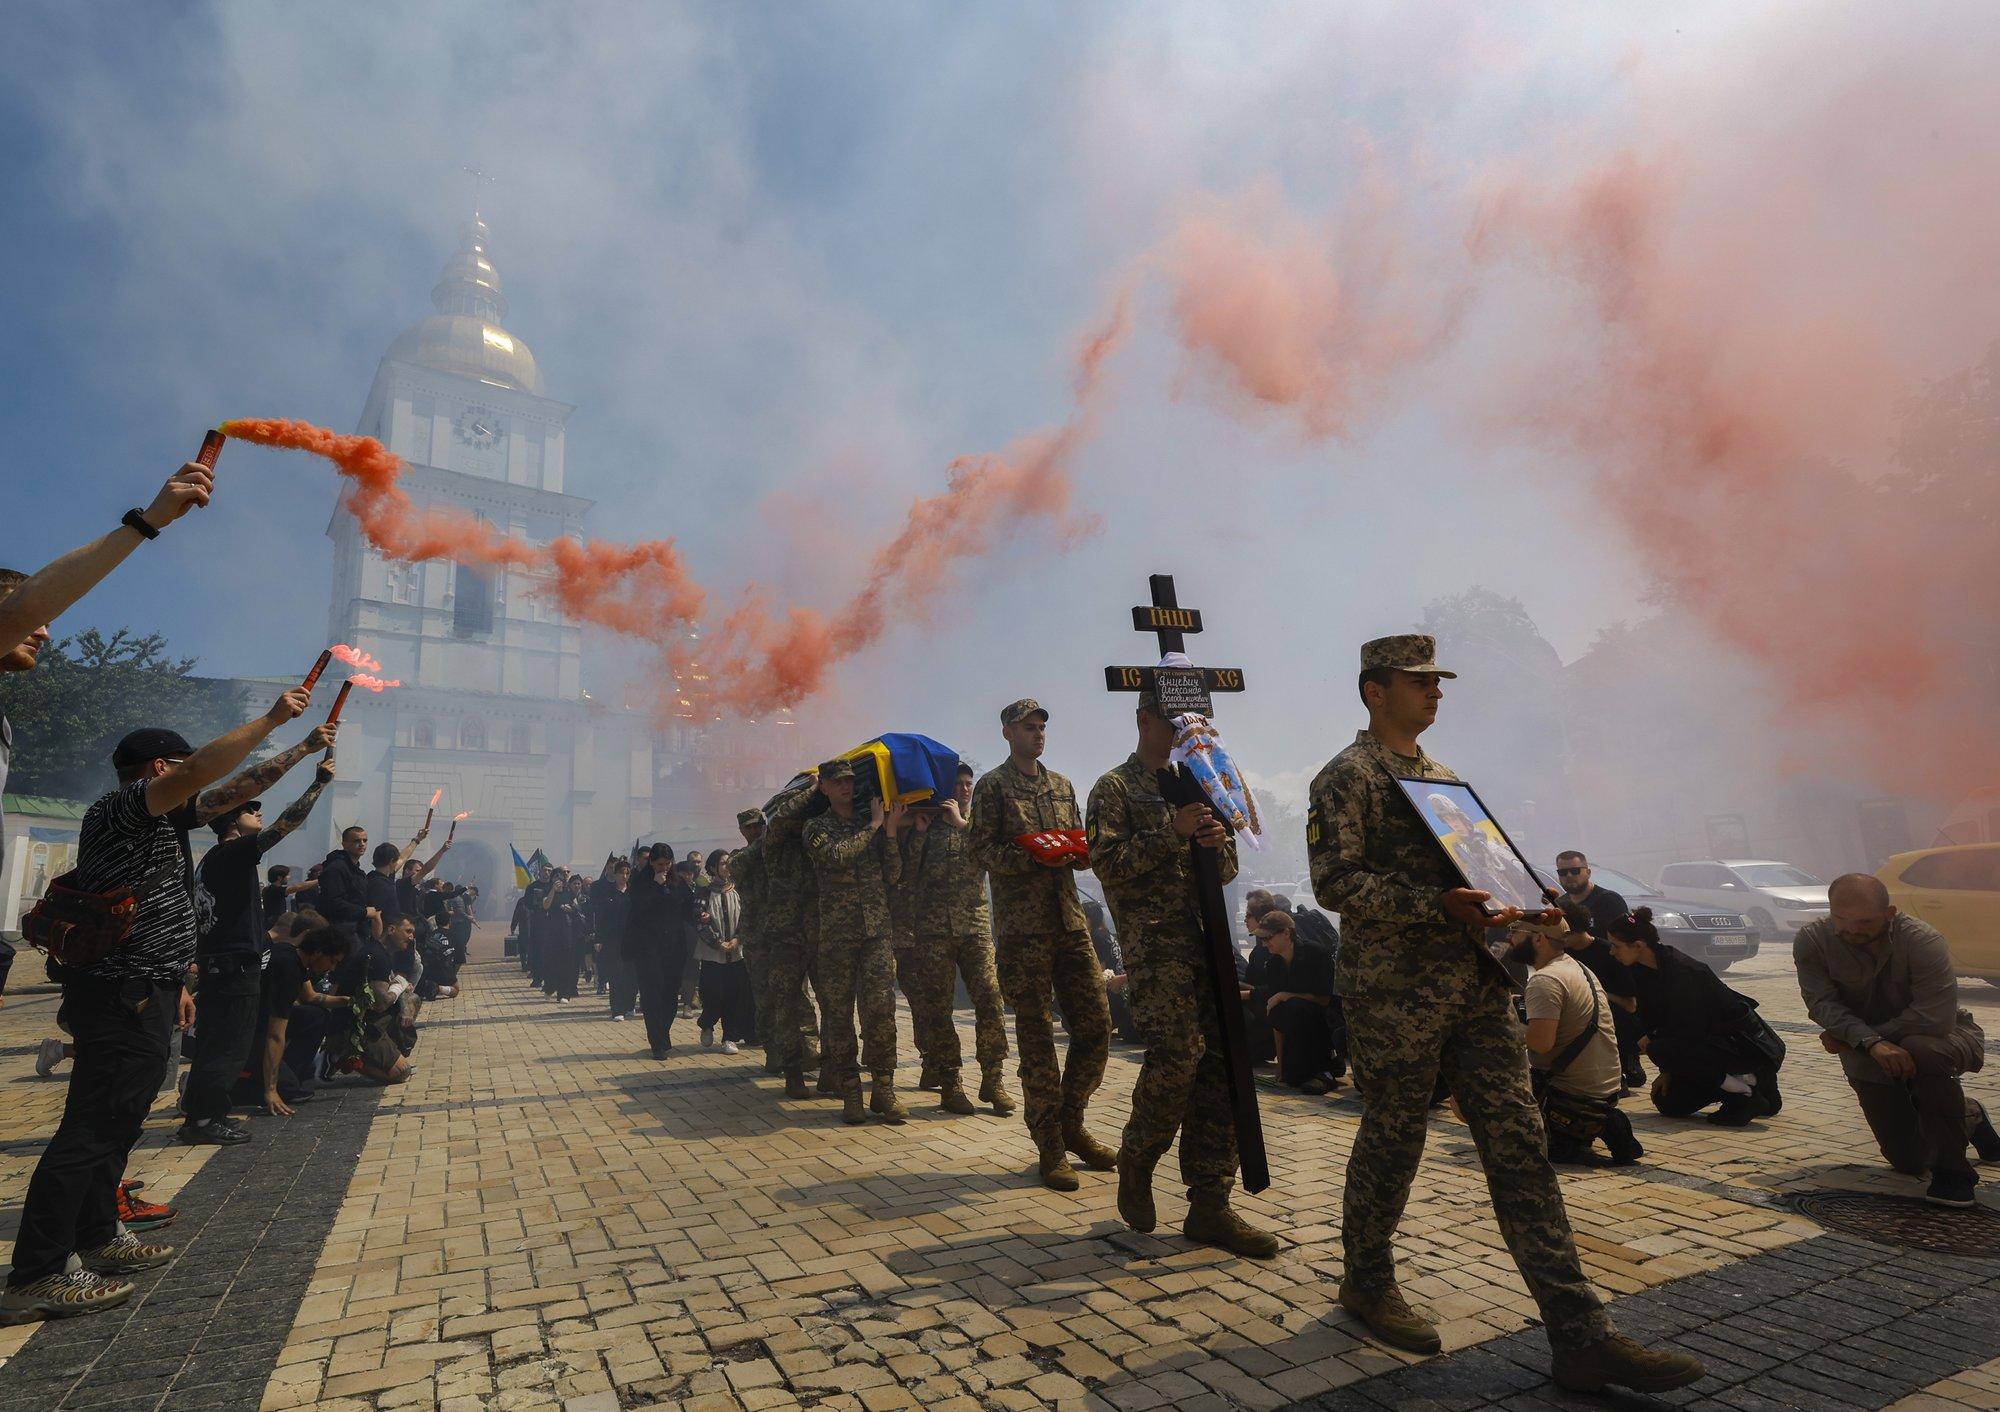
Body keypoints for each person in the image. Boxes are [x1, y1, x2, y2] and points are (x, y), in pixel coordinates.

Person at [1307, 635, 1701, 1392]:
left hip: (1478, 988)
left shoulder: (1446, 781)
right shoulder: (1346, 777)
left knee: (1521, 1148)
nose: (1436, 693)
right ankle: (1365, 1277)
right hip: (1395, 995)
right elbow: (1335, 882)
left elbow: (1485, 870)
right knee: (1394, 1135)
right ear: (1374, 691)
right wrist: (1436, 904)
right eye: (1419, 682)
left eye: (1437, 682)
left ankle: (1579, 1333)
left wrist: (1530, 904)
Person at [2, 684, 315, 1326]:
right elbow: (214, 777)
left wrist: (304, 748)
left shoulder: (165, 825)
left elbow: (228, 790)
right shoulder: (122, 811)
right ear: (159, 772)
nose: (206, 794)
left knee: (119, 1120)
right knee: (90, 1127)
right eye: (184, 770)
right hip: (120, 990)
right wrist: (275, 721)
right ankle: (38, 1271)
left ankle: (96, 1234)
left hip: (148, 986)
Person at [1090, 693, 1274, 1257]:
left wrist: (1216, 845)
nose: (1180, 734)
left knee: (1220, 1060)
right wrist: (1168, 831)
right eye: (1170, 723)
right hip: (1155, 945)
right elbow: (1105, 863)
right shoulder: (1114, 788)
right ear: (1144, 720)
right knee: (1178, 1053)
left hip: (1208, 944)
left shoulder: (1196, 782)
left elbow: (1223, 870)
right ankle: (1138, 1158)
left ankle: (1210, 1204)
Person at [0, 456, 218, 910]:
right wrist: (146, 522)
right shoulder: (122, 811)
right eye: (36, 617)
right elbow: (19, 613)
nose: (45, 631)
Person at [969, 699, 1114, 1191]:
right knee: (1037, 1038)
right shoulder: (991, 786)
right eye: (1029, 728)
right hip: (1023, 930)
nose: (1039, 735)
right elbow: (980, 850)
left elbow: (1075, 836)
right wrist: (1030, 859)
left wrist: (1078, 854)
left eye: (1042, 728)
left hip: (1070, 923)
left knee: (1097, 1026)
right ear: (1008, 732)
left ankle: (1071, 1121)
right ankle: (1050, 1145)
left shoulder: (1062, 785)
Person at [1795, 873, 1999, 1208]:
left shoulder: (1922, 939)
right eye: (1841, 919)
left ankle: (1953, 1173)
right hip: (1868, 1053)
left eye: (1865, 921)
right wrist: (1871, 1044)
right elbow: (1822, 1004)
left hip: (1946, 1037)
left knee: (1923, 1049)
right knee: (1907, 1161)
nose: (1853, 930)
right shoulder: (1813, 940)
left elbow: (1934, 1018)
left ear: (1889, 913)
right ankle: (1969, 1115)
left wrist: (1860, 1039)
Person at [180, 730, 337, 1144]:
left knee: (220, 1043)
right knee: (228, 1046)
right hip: (233, 966)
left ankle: (201, 1114)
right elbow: (287, 824)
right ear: (232, 819)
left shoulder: (214, 859)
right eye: (251, 809)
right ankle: (203, 1121)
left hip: (222, 964)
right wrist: (317, 784)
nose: (259, 813)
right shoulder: (232, 853)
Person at [900, 763, 1014, 1116]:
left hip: (975, 928)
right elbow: (907, 873)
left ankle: (993, 1078)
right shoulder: (929, 827)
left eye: (969, 784)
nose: (965, 790)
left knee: (991, 999)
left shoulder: (979, 826)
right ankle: (950, 1083)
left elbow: (993, 857)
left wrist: (962, 825)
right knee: (937, 1007)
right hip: (933, 931)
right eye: (959, 785)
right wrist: (919, 832)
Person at [1603, 907, 1783, 1127]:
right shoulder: (1641, 969)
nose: (1611, 952)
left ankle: (1745, 1091)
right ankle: (1753, 1086)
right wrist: (1668, 1070)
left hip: (1737, 1047)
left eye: (1616, 946)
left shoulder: (1683, 972)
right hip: (1701, 1048)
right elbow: (1653, 1019)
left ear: (1639, 946)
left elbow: (1692, 1028)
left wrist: (1660, 1049)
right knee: (1668, 1103)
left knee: (1659, 1047)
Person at [804, 759, 908, 1123]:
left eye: (850, 780)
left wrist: (890, 832)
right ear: (825, 787)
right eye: (838, 781)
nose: (846, 786)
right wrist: (875, 827)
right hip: (838, 936)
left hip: (877, 932)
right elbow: (836, 856)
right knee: (838, 1015)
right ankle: (850, 1091)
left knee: (881, 1011)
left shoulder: (873, 823)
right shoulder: (816, 828)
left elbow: (893, 874)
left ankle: (883, 1088)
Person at [1510, 907, 1643, 1167]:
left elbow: (1540, 1043)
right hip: (1603, 1089)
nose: (1510, 938)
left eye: (1515, 931)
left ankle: (1571, 1130)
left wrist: (1505, 1023)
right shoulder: (1577, 967)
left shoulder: (1545, 980)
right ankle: (1602, 1123)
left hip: (1570, 1093)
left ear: (1538, 939)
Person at [1554, 851, 1642, 1090]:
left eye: (1575, 870)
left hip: (1611, 972)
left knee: (1616, 1012)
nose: (1570, 877)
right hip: (1575, 974)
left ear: (1587, 871)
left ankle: (1627, 1060)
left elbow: (1624, 939)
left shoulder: (1608, 901)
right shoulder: (1560, 905)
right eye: (1563, 872)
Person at [761, 782, 827, 1095]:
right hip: (785, 935)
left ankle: (830, 1067)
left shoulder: (819, 839)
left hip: (821, 933)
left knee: (832, 1004)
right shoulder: (774, 843)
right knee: (786, 1005)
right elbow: (782, 817)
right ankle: (793, 1071)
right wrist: (815, 789)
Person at [247, 923, 352, 1116]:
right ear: (319, 952)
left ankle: (288, 1075)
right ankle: (223, 1089)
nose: (331, 968)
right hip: (249, 1031)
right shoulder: (287, 969)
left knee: (317, 1016)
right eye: (332, 961)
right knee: (286, 1090)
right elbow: (275, 1035)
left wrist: (347, 1001)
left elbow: (310, 997)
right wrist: (271, 1090)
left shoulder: (293, 956)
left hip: (259, 1024)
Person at [1251, 909, 1344, 1093]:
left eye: (1268, 938)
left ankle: (1324, 1067)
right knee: (1277, 1010)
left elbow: (1325, 999)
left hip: (1324, 1021)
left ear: (1286, 933)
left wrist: (1287, 995)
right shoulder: (1274, 964)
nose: (1264, 944)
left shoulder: (1314, 953)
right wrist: (1281, 1063)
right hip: (1295, 1026)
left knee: (1294, 1006)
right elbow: (1276, 1019)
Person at [625, 844, 698, 1060]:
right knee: (651, 994)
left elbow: (687, 908)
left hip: (674, 947)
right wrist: (656, 887)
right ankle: (656, 1041)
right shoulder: (640, 882)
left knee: (669, 993)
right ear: (651, 863)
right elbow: (638, 908)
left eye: (667, 864)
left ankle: (663, 1031)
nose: (663, 869)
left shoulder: (678, 882)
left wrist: (700, 916)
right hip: (648, 948)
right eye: (659, 865)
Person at [698, 849, 752, 1052]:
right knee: (713, 994)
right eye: (722, 864)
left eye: (729, 863)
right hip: (713, 953)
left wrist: (737, 939)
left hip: (736, 952)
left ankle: (729, 1037)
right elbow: (699, 920)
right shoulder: (704, 892)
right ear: (713, 867)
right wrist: (718, 943)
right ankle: (706, 1022)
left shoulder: (738, 889)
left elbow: (746, 916)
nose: (727, 867)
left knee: (734, 995)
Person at [728, 810, 771, 1053]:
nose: (755, 831)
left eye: (759, 826)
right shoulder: (738, 857)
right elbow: (738, 866)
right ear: (742, 831)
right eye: (750, 828)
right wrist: (763, 841)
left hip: (782, 932)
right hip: (756, 935)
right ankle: (770, 1049)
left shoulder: (774, 851)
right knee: (762, 996)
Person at [316, 826, 378, 950]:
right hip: (340, 931)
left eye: (364, 841)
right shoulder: (336, 869)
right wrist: (364, 912)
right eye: (356, 841)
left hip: (356, 928)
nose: (362, 844)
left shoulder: (356, 870)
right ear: (344, 844)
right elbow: (333, 903)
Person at [595, 858, 636, 1019]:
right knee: (616, 974)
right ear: (615, 874)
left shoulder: (633, 893)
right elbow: (601, 918)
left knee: (631, 975)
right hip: (613, 940)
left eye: (627, 873)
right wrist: (598, 939)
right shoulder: (607, 894)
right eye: (621, 873)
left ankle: (629, 1005)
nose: (624, 876)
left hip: (631, 940)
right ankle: (617, 1010)